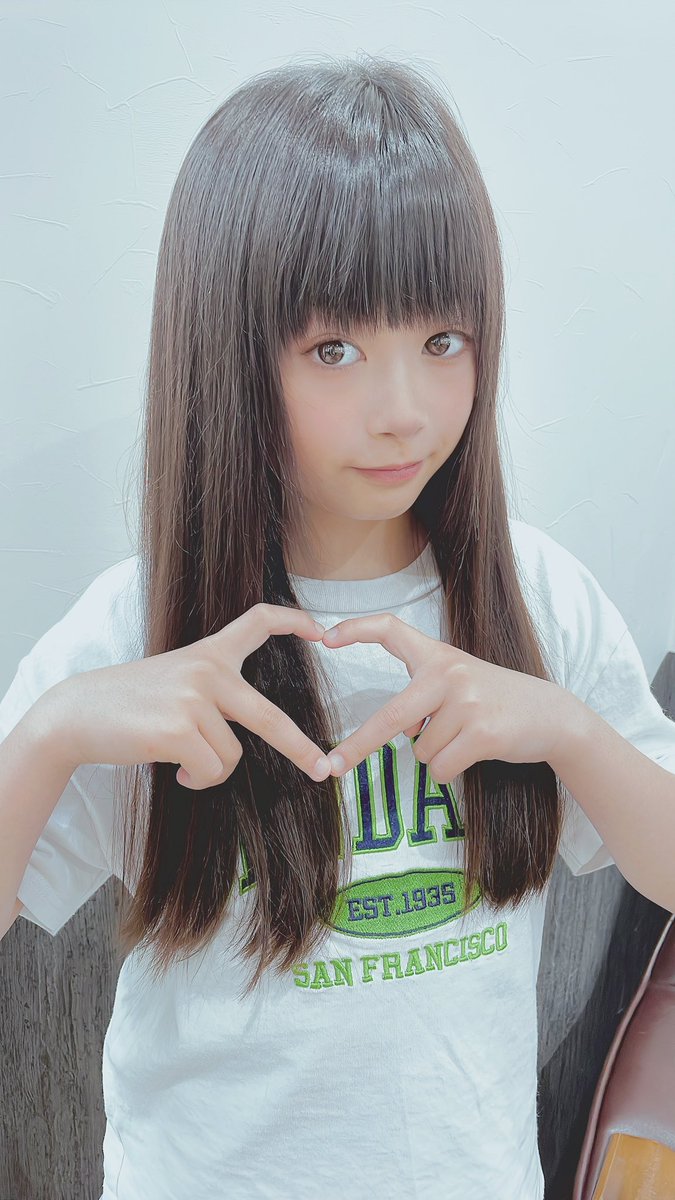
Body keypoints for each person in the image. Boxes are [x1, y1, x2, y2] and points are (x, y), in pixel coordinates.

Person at [1, 52, 674, 1200]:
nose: (404, 410)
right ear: (231, 352)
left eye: (443, 342)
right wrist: (51, 733)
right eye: (335, 350)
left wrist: (566, 729)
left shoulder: (536, 597)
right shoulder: (135, 628)